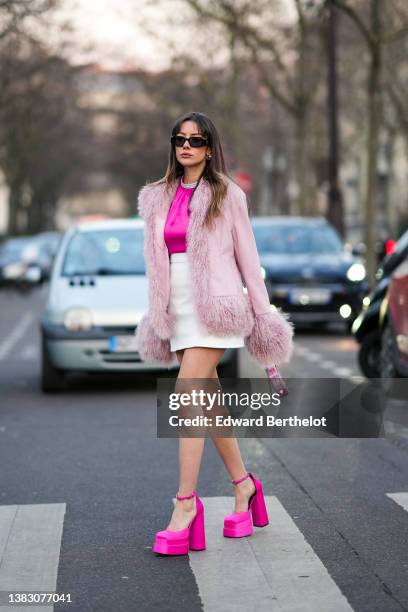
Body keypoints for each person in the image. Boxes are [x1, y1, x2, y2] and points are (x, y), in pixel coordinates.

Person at [135, 111, 294, 555]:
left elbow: (248, 259)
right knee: (208, 402)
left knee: (186, 392)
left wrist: (263, 318)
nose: (186, 146)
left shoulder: (227, 195)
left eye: (196, 139)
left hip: (217, 306)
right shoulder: (156, 197)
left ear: (209, 147)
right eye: (179, 139)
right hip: (177, 306)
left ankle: (186, 505)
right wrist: (158, 308)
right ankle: (243, 486)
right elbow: (157, 262)